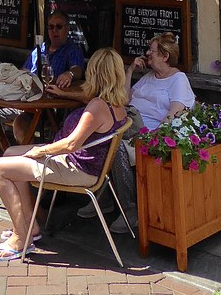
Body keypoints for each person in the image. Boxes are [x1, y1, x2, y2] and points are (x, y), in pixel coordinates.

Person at [0, 47, 128, 261]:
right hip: (84, 165)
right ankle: (30, 224)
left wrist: (40, 150)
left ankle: (20, 237)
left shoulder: (97, 106)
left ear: (96, 74)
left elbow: (71, 144)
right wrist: (64, 93)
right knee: (9, 153)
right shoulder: (116, 103)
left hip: (75, 168)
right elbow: (88, 104)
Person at [72, 31, 195, 234]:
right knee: (102, 132)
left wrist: (149, 137)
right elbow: (123, 99)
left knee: (115, 142)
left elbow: (174, 114)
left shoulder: (178, 79)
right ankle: (104, 194)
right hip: (129, 123)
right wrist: (129, 71)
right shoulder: (148, 77)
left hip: (149, 133)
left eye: (152, 51)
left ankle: (129, 209)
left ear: (165, 56)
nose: (147, 54)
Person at [0, 10, 86, 144]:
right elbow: (23, 71)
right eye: (51, 27)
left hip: (49, 108)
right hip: (23, 100)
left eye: (59, 27)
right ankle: (7, 148)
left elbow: (77, 69)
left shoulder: (72, 49)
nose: (54, 31)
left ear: (67, 29)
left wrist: (70, 74)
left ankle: (29, 159)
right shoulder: (40, 49)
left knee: (20, 125)